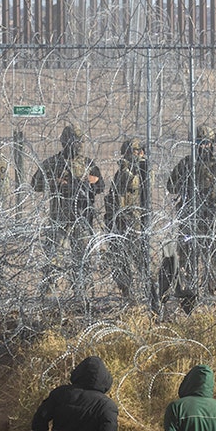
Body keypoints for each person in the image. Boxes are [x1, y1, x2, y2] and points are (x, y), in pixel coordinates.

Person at [166, 125, 216, 310]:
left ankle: (210, 293)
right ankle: (189, 294)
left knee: (211, 257)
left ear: (212, 144)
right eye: (199, 143)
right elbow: (171, 186)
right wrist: (184, 189)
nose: (203, 147)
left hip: (211, 219)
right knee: (187, 257)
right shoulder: (186, 164)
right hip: (189, 219)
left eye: (206, 143)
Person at [32, 123, 103, 296]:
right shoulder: (52, 163)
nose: (79, 145)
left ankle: (81, 296)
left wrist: (92, 181)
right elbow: (35, 184)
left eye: (81, 141)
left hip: (82, 219)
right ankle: (48, 295)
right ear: (65, 142)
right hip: (60, 218)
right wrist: (53, 182)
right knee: (54, 259)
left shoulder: (88, 164)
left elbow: (101, 185)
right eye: (75, 141)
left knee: (82, 260)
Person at [104, 137, 150, 302]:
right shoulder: (122, 171)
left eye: (136, 151)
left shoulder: (142, 169)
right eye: (131, 152)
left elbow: (134, 183)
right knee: (119, 258)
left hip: (134, 222)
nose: (132, 155)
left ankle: (149, 290)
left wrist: (129, 168)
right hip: (118, 221)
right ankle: (127, 293)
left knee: (139, 257)